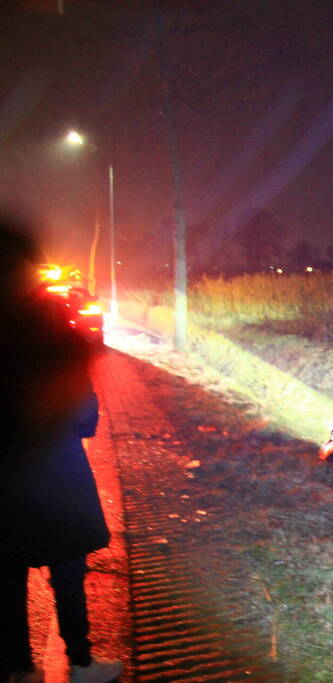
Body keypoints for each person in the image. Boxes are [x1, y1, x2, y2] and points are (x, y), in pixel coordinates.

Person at [0, 220, 123, 683]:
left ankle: (18, 668)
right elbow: (84, 413)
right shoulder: (48, 321)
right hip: (55, 475)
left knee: (6, 580)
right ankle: (81, 664)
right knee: (68, 571)